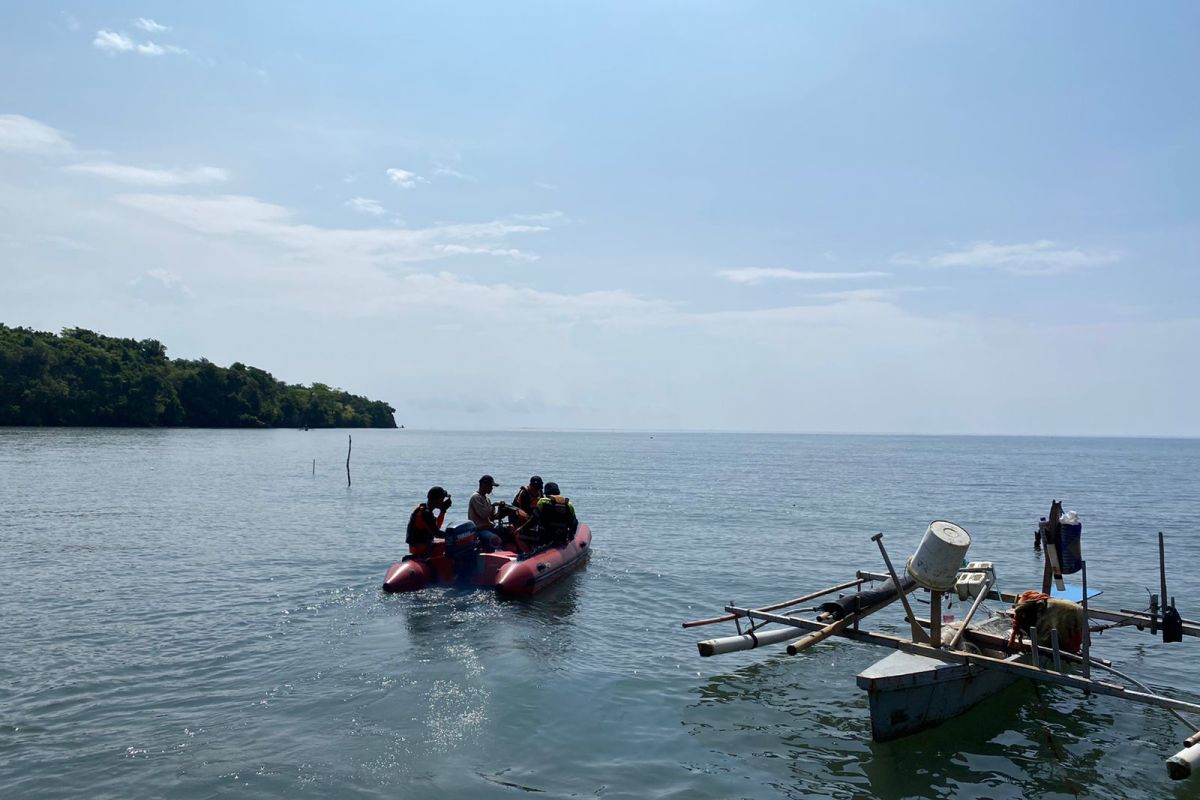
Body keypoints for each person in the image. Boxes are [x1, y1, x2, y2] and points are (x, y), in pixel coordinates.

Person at [518, 481, 578, 550]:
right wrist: (570, 537)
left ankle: (527, 554)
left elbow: (533, 520)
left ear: (546, 493)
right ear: (558, 492)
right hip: (562, 537)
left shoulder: (543, 502)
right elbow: (574, 523)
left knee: (519, 536)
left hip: (545, 537)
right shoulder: (569, 504)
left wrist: (522, 529)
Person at [406, 486, 451, 557]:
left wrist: (443, 511)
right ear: (437, 500)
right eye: (442, 499)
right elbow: (437, 534)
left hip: (420, 545)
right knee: (452, 545)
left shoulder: (424, 510)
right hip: (421, 547)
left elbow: (436, 527)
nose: (443, 502)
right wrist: (452, 536)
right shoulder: (426, 513)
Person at [467, 475, 503, 552]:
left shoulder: (487, 499)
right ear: (484, 485)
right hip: (480, 530)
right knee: (495, 539)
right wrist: (493, 505)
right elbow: (483, 515)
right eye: (490, 486)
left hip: (489, 527)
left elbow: (491, 517)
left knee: (509, 531)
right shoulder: (476, 497)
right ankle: (492, 556)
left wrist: (502, 513)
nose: (492, 488)